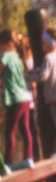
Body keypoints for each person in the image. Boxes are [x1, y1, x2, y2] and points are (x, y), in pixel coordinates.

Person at [27, 28, 56, 156]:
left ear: (50, 43)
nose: (42, 46)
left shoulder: (48, 58)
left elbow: (43, 76)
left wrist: (28, 76)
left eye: (44, 43)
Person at [0, 29, 34, 171]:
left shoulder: (6, 56)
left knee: (10, 131)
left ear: (7, 44)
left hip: (15, 99)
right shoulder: (19, 57)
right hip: (25, 97)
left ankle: (7, 163)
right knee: (25, 128)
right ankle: (28, 158)